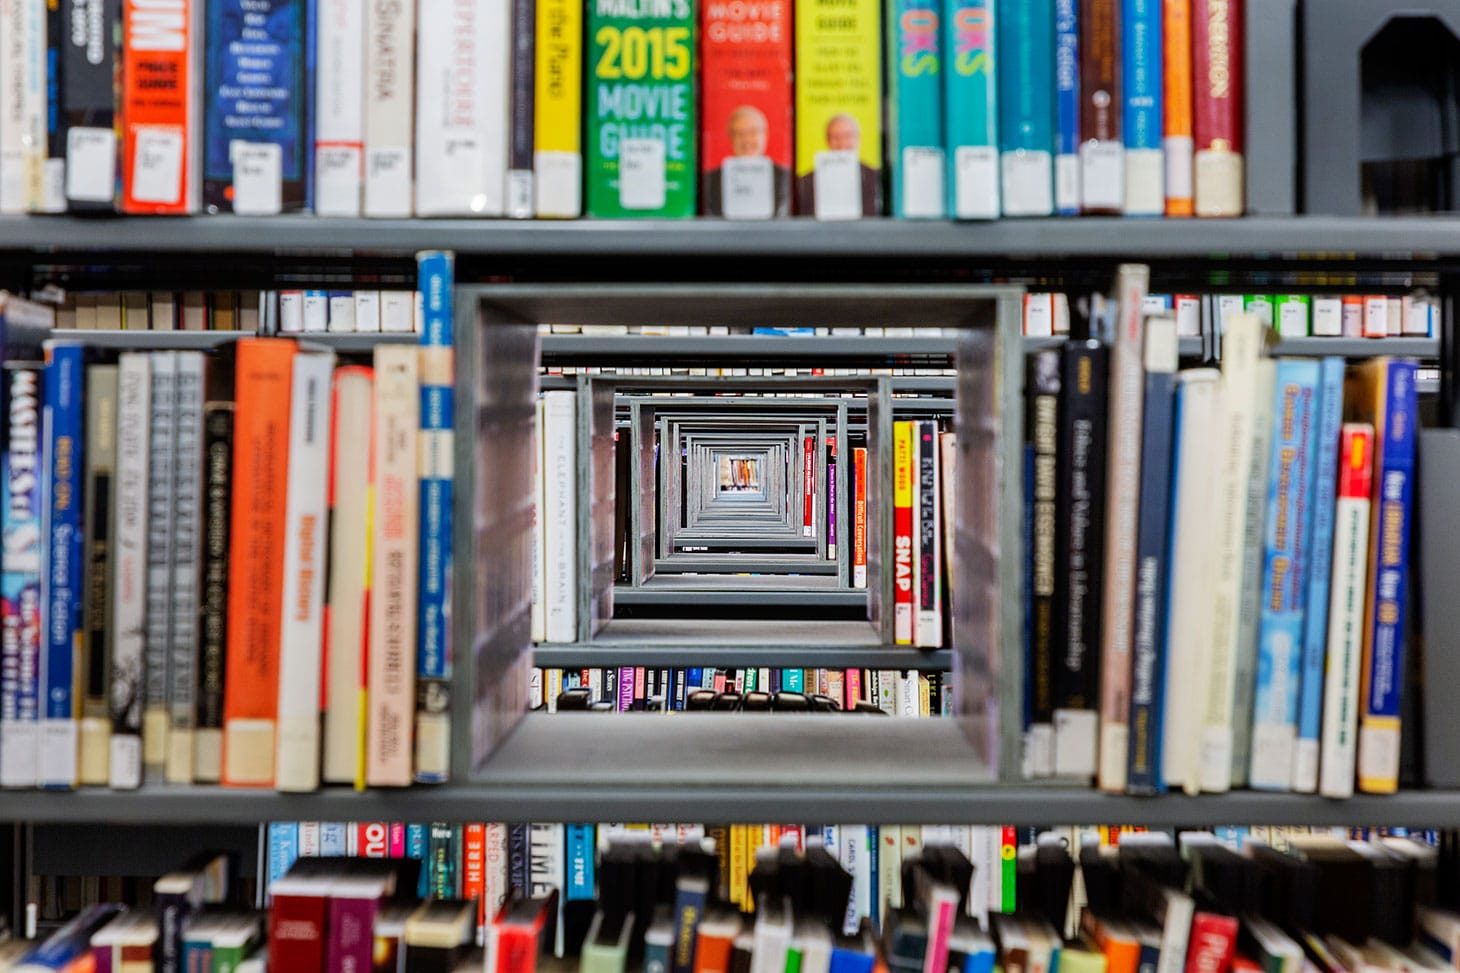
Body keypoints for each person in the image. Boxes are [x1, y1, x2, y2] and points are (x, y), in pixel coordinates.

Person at [702, 105, 791, 217]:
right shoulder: (710, 181)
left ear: (765, 134)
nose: (747, 140)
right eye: (740, 133)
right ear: (730, 137)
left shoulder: (785, 178)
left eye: (753, 132)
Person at [794, 112, 881, 217]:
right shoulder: (806, 182)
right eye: (835, 137)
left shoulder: (875, 178)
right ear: (827, 141)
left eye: (848, 136)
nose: (842, 143)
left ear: (859, 138)